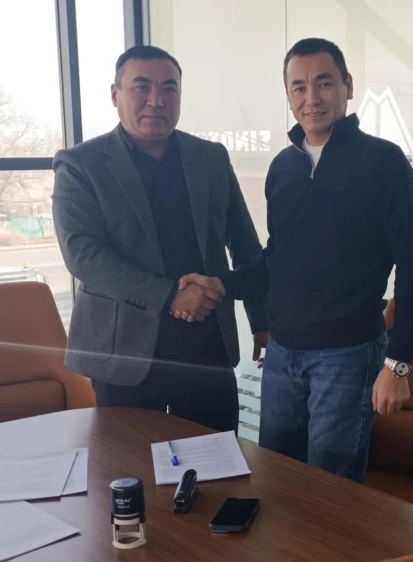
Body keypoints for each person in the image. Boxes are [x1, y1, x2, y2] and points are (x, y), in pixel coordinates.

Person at [175, 38, 413, 481]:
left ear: (347, 86)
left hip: (347, 355)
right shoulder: (284, 167)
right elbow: (279, 259)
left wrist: (398, 363)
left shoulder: (384, 163)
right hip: (282, 354)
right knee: (276, 477)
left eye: (324, 83)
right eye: (299, 87)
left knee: (329, 487)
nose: (311, 98)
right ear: (289, 96)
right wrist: (223, 284)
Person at [52, 45, 268, 433]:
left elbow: (245, 244)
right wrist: (170, 295)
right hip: (124, 353)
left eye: (169, 88)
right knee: (128, 464)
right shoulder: (82, 163)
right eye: (142, 87)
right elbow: (82, 254)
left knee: (216, 460)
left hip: (207, 349)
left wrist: (262, 321)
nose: (156, 100)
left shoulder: (210, 158)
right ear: (115, 94)